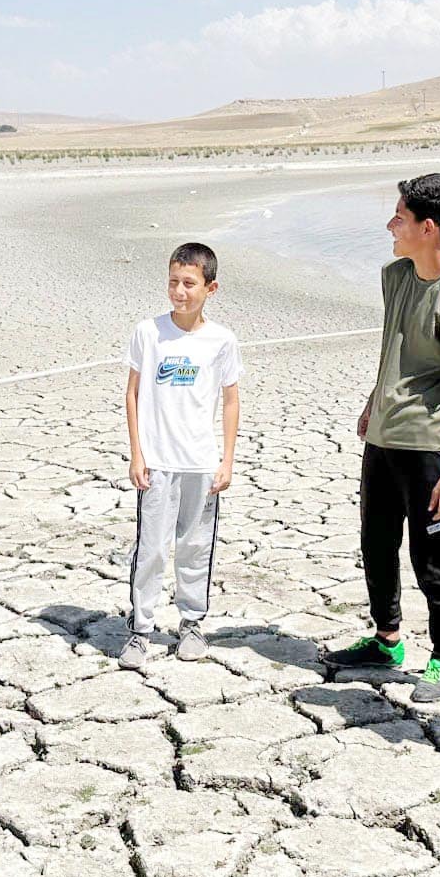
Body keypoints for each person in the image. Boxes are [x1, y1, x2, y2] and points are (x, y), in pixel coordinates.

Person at [323, 173, 440, 703]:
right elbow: (393, 347)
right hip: (383, 438)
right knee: (376, 544)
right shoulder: (396, 276)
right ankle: (387, 641)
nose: (390, 224)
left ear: (428, 227)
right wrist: (376, 401)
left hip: (430, 448)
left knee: (431, 558)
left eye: (399, 216)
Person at [119, 242, 241, 668]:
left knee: (194, 548)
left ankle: (191, 623)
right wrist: (137, 455)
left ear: (211, 287)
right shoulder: (148, 333)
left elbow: (229, 401)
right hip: (157, 462)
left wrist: (226, 460)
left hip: (201, 464)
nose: (179, 291)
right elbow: (132, 394)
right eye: (173, 282)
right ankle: (140, 629)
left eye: (189, 283)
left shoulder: (221, 340)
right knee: (151, 548)